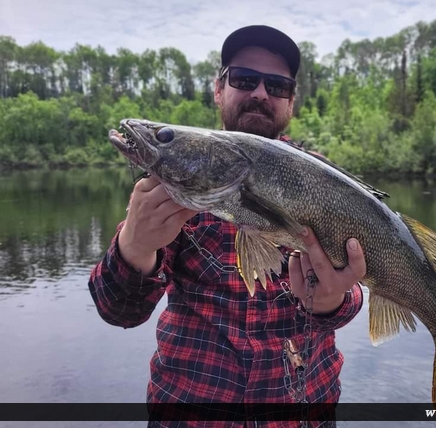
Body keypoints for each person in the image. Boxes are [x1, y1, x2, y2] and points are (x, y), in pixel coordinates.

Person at [88, 25, 366, 428]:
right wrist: (134, 245)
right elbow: (119, 311)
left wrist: (329, 300)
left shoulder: (321, 177)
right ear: (219, 89)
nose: (260, 93)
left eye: (277, 86)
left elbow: (354, 294)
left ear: (291, 102)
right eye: (244, 79)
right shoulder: (175, 182)